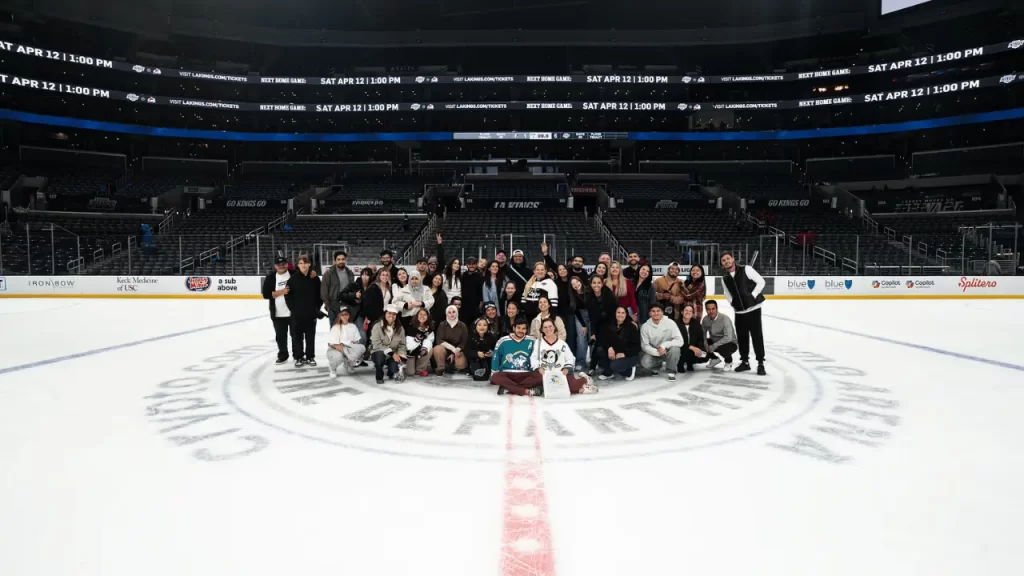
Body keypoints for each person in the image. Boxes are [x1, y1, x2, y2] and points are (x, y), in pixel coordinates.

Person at [720, 251, 767, 375]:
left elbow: (761, 282)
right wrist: (732, 302)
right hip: (739, 312)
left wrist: (752, 296)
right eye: (723, 260)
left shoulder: (747, 269)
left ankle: (760, 363)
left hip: (753, 309)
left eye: (728, 259)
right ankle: (745, 362)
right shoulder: (725, 278)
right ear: (722, 264)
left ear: (733, 259)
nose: (726, 261)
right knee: (742, 337)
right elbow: (727, 293)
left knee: (757, 336)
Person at [531, 318, 596, 395]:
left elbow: (570, 358)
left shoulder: (562, 343)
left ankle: (584, 380)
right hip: (545, 374)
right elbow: (534, 358)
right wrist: (538, 368)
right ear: (542, 329)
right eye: (545, 327)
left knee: (570, 386)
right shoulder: (538, 343)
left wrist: (566, 368)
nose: (548, 329)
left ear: (554, 327)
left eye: (550, 326)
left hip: (560, 373)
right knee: (537, 382)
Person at [284, 254, 322, 367]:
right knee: (297, 336)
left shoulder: (315, 279)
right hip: (297, 314)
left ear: (309, 264)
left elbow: (320, 295)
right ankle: (299, 357)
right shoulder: (292, 280)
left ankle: (310, 356)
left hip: (311, 313)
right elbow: (287, 295)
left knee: (310, 336)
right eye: (301, 263)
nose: (303, 265)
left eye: (305, 263)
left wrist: (317, 308)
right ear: (298, 265)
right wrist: (293, 308)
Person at [490, 317, 542, 396]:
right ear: (514, 328)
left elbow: (538, 356)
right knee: (495, 377)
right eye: (518, 328)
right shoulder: (503, 340)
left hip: (526, 374)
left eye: (524, 328)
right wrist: (494, 372)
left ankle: (508, 388)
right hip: (507, 374)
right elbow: (495, 357)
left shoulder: (532, 340)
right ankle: (526, 391)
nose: (521, 330)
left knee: (540, 377)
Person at [639, 303, 685, 381]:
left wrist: (664, 345)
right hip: (654, 352)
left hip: (668, 350)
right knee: (645, 362)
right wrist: (658, 352)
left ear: (662, 312)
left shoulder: (670, 323)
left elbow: (680, 341)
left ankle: (671, 370)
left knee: (675, 348)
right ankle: (657, 367)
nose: (656, 313)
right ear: (650, 313)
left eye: (658, 311)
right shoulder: (645, 326)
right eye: (653, 311)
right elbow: (644, 345)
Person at [261, 256, 294, 365]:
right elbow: (266, 294)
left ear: (287, 264)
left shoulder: (294, 274)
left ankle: (298, 355)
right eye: (279, 265)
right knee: (280, 336)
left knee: (296, 336)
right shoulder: (270, 277)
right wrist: (282, 291)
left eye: (283, 264)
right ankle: (283, 355)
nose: (281, 266)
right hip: (278, 313)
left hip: (294, 312)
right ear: (275, 266)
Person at [585, 274, 619, 373]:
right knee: (598, 345)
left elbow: (616, 310)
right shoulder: (589, 297)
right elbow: (592, 318)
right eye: (594, 283)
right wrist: (593, 333)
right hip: (599, 324)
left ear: (602, 283)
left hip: (610, 323)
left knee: (602, 345)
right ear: (591, 284)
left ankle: (594, 367)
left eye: (599, 283)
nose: (596, 285)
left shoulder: (608, 294)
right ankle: (595, 366)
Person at [597, 306, 641, 381]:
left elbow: (637, 347)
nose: (620, 315)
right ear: (615, 313)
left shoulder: (631, 327)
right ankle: (608, 373)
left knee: (614, 365)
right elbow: (602, 339)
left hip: (629, 355)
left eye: (623, 313)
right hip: (615, 353)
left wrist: (624, 354)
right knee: (600, 349)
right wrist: (609, 347)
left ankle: (629, 371)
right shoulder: (609, 325)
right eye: (618, 312)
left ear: (626, 314)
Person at [369, 305, 407, 384]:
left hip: (394, 354)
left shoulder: (400, 328)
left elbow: (402, 345)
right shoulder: (377, 326)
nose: (391, 316)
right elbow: (376, 344)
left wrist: (402, 356)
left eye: (394, 314)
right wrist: (392, 353)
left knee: (394, 370)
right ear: (385, 314)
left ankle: (391, 371)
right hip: (378, 352)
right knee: (380, 357)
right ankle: (379, 376)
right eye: (389, 313)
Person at [326, 307, 366, 378]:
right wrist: (349, 355)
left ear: (349, 315)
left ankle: (348, 364)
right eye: (342, 314)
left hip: (348, 347)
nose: (344, 316)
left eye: (346, 314)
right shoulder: (336, 327)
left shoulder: (353, 326)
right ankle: (333, 369)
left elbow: (356, 341)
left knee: (362, 348)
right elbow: (335, 345)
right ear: (339, 316)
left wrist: (353, 352)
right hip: (336, 349)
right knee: (338, 357)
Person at [320, 250, 355, 328]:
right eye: (338, 259)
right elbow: (324, 291)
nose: (341, 261)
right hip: (333, 306)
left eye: (343, 259)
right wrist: (328, 306)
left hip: (347, 305)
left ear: (345, 260)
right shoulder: (328, 273)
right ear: (334, 261)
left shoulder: (350, 273)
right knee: (334, 329)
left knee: (347, 328)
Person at [432, 305, 469, 377]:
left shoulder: (462, 325)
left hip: (458, 350)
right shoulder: (442, 325)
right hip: (445, 349)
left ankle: (452, 366)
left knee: (460, 364)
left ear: (457, 313)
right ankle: (441, 368)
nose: (452, 314)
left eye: (454, 312)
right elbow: (439, 340)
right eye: (449, 312)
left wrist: (456, 351)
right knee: (437, 348)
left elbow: (464, 342)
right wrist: (453, 349)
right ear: (446, 314)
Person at [340, 267, 374, 344]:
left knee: (369, 337)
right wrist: (354, 295)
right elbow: (341, 295)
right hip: (357, 315)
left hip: (369, 316)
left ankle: (365, 353)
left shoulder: (373, 287)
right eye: (363, 275)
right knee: (362, 337)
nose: (365, 277)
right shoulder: (354, 285)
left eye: (367, 275)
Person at [702, 299, 738, 370]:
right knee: (700, 342)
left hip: (730, 343)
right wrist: (705, 343)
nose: (711, 311)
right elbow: (703, 333)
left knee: (723, 348)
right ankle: (714, 358)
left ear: (717, 308)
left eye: (713, 309)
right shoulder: (705, 319)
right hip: (715, 341)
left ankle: (729, 362)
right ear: (706, 310)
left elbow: (728, 338)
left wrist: (714, 346)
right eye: (708, 309)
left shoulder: (725, 319)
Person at [362, 268, 395, 333]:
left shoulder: (389, 288)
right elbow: (367, 304)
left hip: (387, 316)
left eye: (387, 275)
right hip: (375, 317)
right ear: (379, 276)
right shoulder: (373, 287)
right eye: (383, 275)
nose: (385, 277)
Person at [676, 304, 707, 374]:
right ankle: (680, 364)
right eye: (686, 310)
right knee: (685, 350)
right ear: (682, 312)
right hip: (680, 348)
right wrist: (691, 347)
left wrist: (700, 349)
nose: (688, 312)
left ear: (693, 313)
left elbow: (700, 339)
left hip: (693, 348)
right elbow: (677, 341)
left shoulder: (696, 324)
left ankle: (690, 362)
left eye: (690, 311)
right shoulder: (676, 324)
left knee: (705, 355)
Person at [567, 276, 589, 372]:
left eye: (577, 282)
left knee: (593, 337)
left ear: (580, 281)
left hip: (592, 314)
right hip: (580, 316)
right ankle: (580, 362)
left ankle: (594, 361)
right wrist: (584, 325)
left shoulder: (589, 290)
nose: (576, 284)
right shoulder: (573, 295)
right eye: (573, 284)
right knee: (581, 337)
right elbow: (576, 311)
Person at [404, 308, 434, 377]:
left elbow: (429, 340)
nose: (422, 316)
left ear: (428, 317)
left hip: (419, 351)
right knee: (410, 373)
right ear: (417, 315)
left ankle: (420, 369)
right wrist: (416, 340)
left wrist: (424, 348)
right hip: (409, 353)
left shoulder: (429, 328)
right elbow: (408, 346)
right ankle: (405, 365)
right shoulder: (411, 326)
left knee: (429, 349)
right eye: (420, 314)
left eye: (425, 315)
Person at [461, 256, 485, 325]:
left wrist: (481, 302)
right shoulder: (464, 275)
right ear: (467, 265)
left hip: (476, 304)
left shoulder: (480, 276)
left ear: (476, 264)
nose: (471, 266)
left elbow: (481, 290)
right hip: (465, 304)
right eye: (469, 264)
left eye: (473, 264)